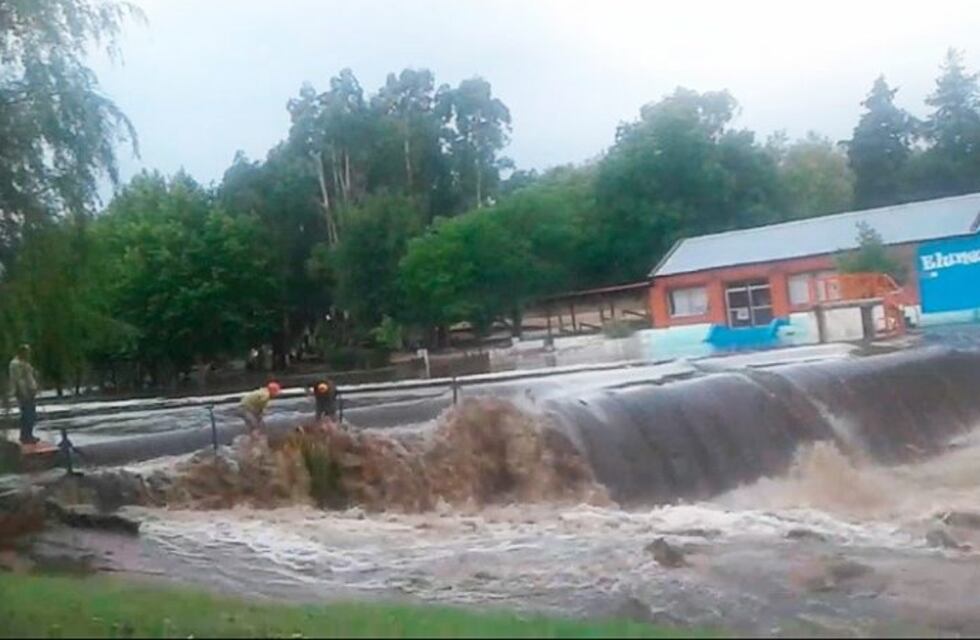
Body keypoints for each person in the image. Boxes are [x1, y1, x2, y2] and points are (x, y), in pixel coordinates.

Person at [8, 344, 39, 445]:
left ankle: (28, 434)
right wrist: (25, 392)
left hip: (30, 392)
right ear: (22, 352)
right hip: (24, 393)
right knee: (27, 414)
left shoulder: (24, 363)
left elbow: (29, 375)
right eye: (27, 352)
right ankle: (26, 436)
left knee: (31, 414)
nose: (28, 355)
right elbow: (19, 380)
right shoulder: (16, 364)